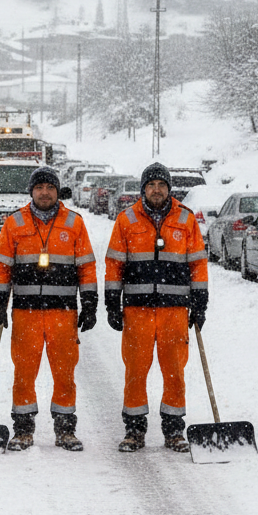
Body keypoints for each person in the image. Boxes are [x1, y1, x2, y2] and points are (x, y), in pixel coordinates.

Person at [0, 166, 98, 452]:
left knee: (65, 374)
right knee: (24, 373)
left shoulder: (74, 223)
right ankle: (23, 430)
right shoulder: (14, 223)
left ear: (57, 191)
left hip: (63, 313)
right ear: (32, 191)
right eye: (39, 187)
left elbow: (86, 266)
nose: (45, 192)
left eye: (50, 187)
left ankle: (65, 430)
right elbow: (2, 267)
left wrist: (89, 302)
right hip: (25, 313)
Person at [104, 162, 207, 454]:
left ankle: (174, 430)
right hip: (137, 310)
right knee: (135, 371)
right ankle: (134, 430)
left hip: (175, 310)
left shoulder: (186, 219)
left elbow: (198, 264)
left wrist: (200, 302)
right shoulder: (126, 219)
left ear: (169, 189)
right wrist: (112, 302)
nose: (157, 190)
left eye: (162, 185)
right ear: (143, 189)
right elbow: (114, 264)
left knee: (174, 371)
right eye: (151, 185)